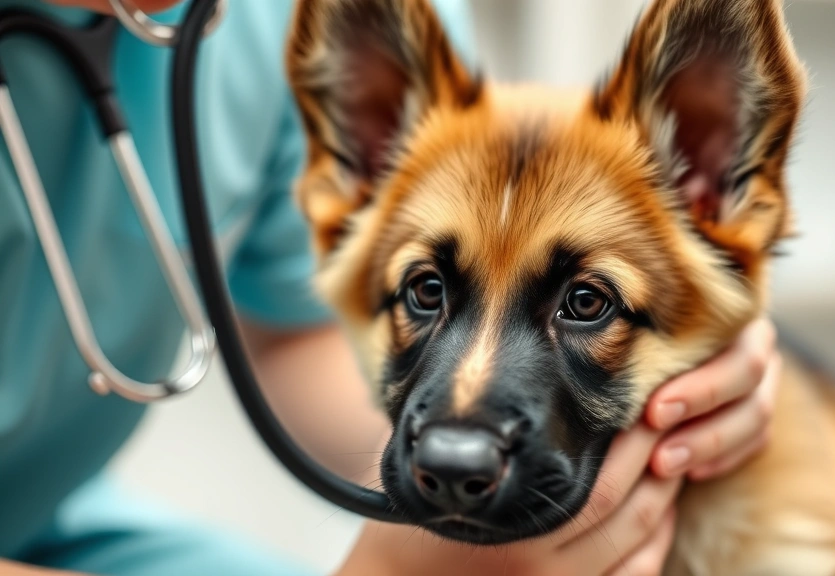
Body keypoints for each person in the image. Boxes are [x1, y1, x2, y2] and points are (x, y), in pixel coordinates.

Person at [0, 0, 782, 574]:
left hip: (46, 519)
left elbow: (301, 328)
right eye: (430, 290)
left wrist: (470, 500)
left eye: (584, 303)